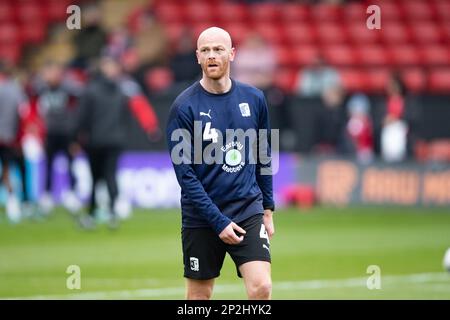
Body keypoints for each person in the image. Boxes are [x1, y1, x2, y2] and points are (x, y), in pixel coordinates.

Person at [166, 27, 275, 300]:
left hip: (246, 209)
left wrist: (268, 208)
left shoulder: (254, 99)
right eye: (205, 50)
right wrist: (218, 222)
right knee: (199, 296)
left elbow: (263, 154)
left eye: (218, 49)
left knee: (261, 286)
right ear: (197, 57)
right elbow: (186, 176)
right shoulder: (183, 107)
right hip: (202, 217)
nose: (212, 56)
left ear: (232, 54)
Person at [76, 54, 159, 229]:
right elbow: (132, 113)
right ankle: (111, 213)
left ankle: (94, 214)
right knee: (109, 176)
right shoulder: (123, 89)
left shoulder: (92, 89)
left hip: (97, 141)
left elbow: (82, 117)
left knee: (98, 177)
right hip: (112, 140)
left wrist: (77, 137)